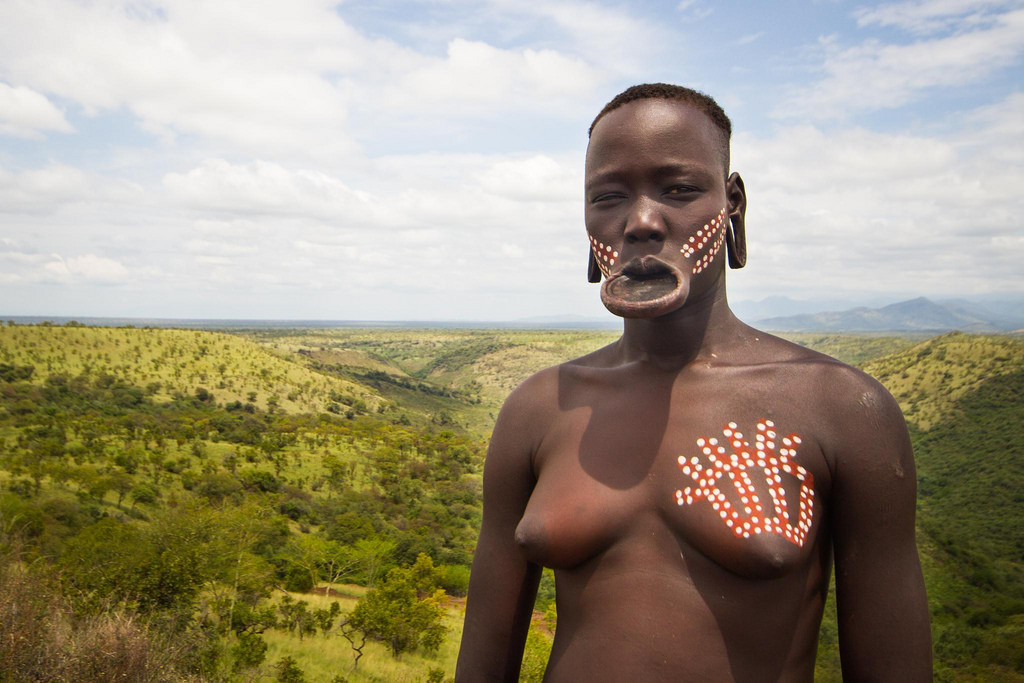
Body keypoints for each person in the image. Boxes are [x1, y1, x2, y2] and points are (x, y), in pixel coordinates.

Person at [455, 84, 931, 682]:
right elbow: (482, 663)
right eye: (608, 197)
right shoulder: (539, 409)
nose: (641, 222)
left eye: (679, 189)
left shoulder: (842, 409)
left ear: (733, 203)